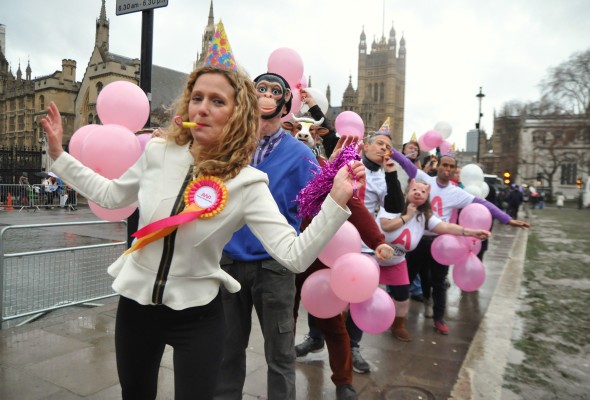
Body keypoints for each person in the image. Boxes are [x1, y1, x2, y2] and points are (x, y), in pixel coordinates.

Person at [41, 64, 364, 400]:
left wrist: (336, 201)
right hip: (136, 307)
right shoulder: (157, 152)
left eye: (217, 101)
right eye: (197, 98)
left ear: (238, 114)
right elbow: (111, 195)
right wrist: (58, 157)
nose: (203, 107)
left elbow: (294, 256)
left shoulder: (248, 182)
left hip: (198, 317)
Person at [213, 71, 335, 400]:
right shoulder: (230, 149)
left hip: (275, 268)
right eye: (260, 89)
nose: (266, 95)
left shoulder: (301, 156)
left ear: (284, 106)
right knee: (226, 353)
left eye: (274, 91)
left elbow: (319, 204)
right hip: (229, 265)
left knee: (280, 358)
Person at [390, 149, 529, 335]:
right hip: (418, 240)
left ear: (456, 170)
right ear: (438, 166)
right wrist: (389, 148)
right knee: (405, 279)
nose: (447, 169)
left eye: (451, 166)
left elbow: (483, 204)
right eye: (444, 164)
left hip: (442, 243)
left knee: (439, 282)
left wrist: (506, 219)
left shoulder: (457, 192)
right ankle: (398, 318)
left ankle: (439, 318)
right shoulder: (426, 181)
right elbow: (407, 164)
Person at [376, 179, 491, 341]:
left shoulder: (424, 217)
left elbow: (446, 227)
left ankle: (398, 325)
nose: (418, 193)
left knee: (402, 295)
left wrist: (470, 232)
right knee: (365, 292)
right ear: (407, 191)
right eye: (415, 189)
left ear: (427, 196)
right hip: (374, 257)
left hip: (397, 261)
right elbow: (387, 226)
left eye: (423, 192)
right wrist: (407, 216)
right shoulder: (392, 205)